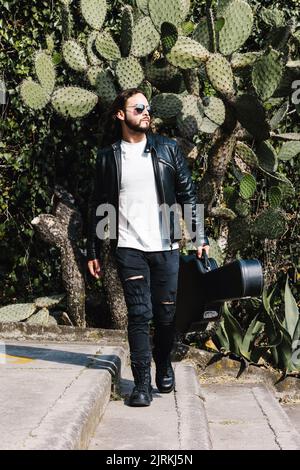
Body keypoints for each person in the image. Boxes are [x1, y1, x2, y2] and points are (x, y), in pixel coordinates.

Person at [87, 88, 209, 407]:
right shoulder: (108, 157)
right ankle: (141, 384)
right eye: (137, 107)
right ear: (120, 114)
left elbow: (187, 195)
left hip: (166, 245)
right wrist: (93, 250)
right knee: (139, 315)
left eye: (147, 107)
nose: (145, 112)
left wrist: (199, 237)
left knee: (166, 315)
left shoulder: (168, 150)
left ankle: (164, 363)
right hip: (128, 247)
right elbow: (99, 205)